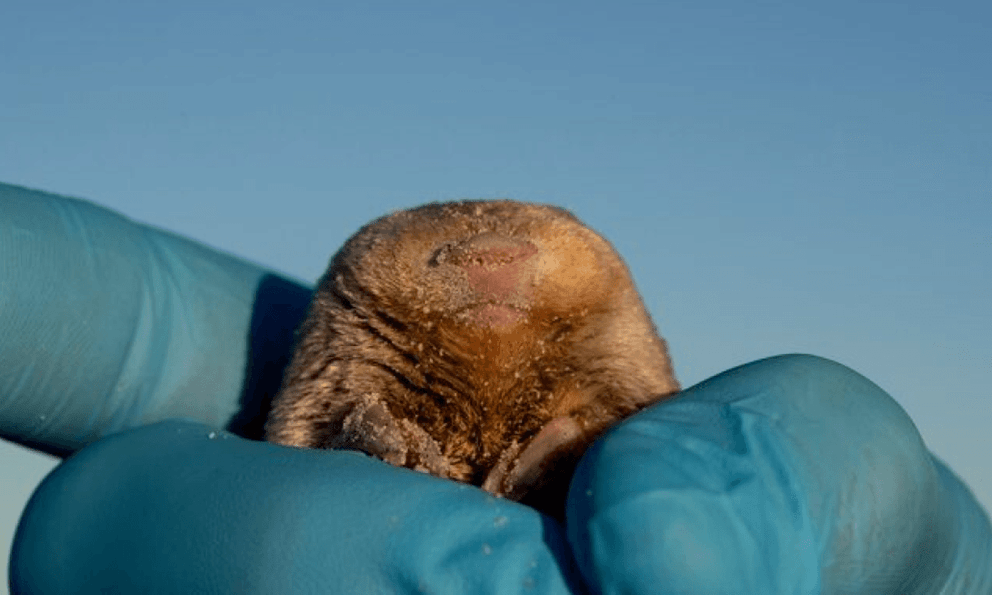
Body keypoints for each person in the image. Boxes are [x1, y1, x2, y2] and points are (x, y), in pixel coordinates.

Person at [2, 181, 989, 594]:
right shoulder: (357, 330)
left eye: (507, 247)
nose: (485, 264)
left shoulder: (629, 399)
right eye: (454, 253)